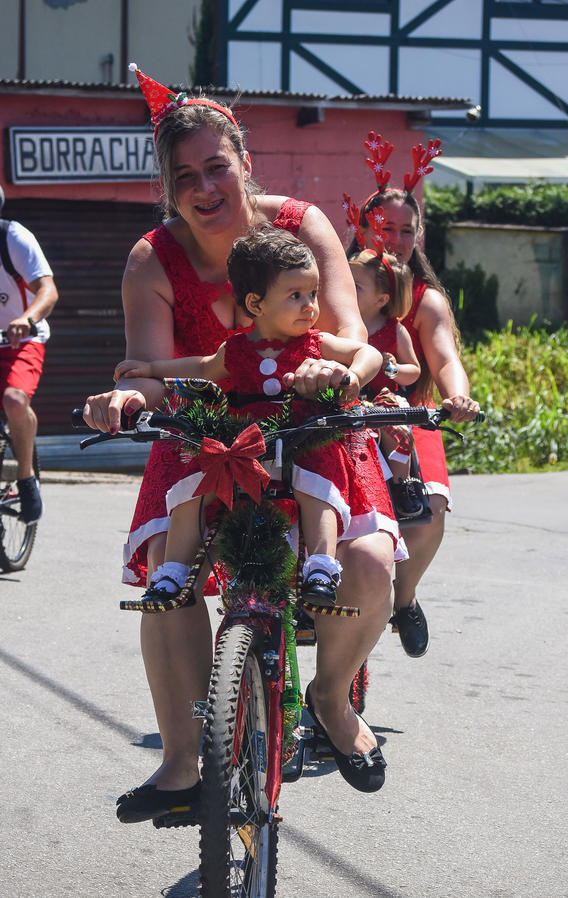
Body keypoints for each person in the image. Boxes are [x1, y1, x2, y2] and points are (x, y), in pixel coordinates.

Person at [83, 65, 396, 820]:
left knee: (365, 562)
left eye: (216, 165)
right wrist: (128, 397)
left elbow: (354, 337)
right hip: (206, 437)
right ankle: (184, 763)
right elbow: (151, 372)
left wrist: (333, 370)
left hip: (310, 420)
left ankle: (328, 697)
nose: (204, 186)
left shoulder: (300, 225)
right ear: (169, 185)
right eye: (184, 174)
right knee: (170, 575)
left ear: (245, 163)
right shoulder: (151, 259)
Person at [115, 225, 397, 611]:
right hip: (244, 443)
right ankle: (172, 574)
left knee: (318, 480)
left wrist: (353, 376)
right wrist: (149, 368)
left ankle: (321, 566)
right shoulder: (234, 349)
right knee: (195, 484)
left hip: (301, 437)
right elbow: (199, 366)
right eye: (295, 295)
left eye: (313, 294)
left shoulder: (315, 343)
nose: (310, 306)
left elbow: (368, 355)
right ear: (256, 303)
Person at [347, 134, 480, 659]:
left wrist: (459, 398)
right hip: (345, 411)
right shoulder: (336, 283)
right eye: (385, 228)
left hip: (408, 417)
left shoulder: (425, 302)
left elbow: (444, 359)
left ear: (419, 236)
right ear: (361, 228)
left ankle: (403, 600)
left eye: (407, 230)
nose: (396, 239)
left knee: (432, 510)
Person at [348, 247, 422, 511]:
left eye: (356, 286)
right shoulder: (341, 324)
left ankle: (403, 483)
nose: (347, 289)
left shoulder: (394, 329)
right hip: (351, 397)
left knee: (396, 420)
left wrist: (393, 369)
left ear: (381, 300)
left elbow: (413, 370)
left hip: (381, 396)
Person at [0, 185, 58, 523]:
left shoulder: (14, 239)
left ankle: (26, 478)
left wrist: (26, 318)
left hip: (22, 341)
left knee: (14, 400)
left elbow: (48, 290)